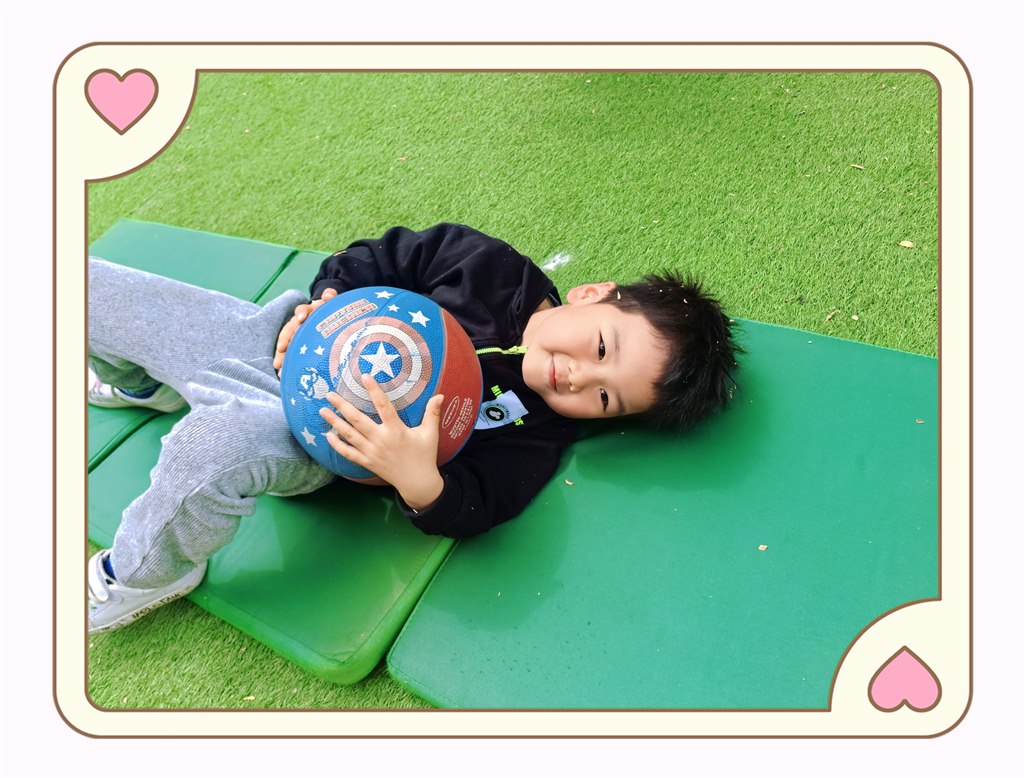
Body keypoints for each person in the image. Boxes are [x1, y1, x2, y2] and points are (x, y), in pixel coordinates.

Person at [86, 223, 741, 633]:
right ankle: (144, 382)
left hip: (314, 434)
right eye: (599, 348)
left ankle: (145, 570)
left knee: (211, 447)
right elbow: (384, 256)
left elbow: (478, 504)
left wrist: (419, 479)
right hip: (276, 342)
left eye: (604, 398)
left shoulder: (536, 432)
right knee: (90, 289)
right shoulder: (491, 268)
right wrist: (325, 300)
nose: (576, 377)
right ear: (592, 295)